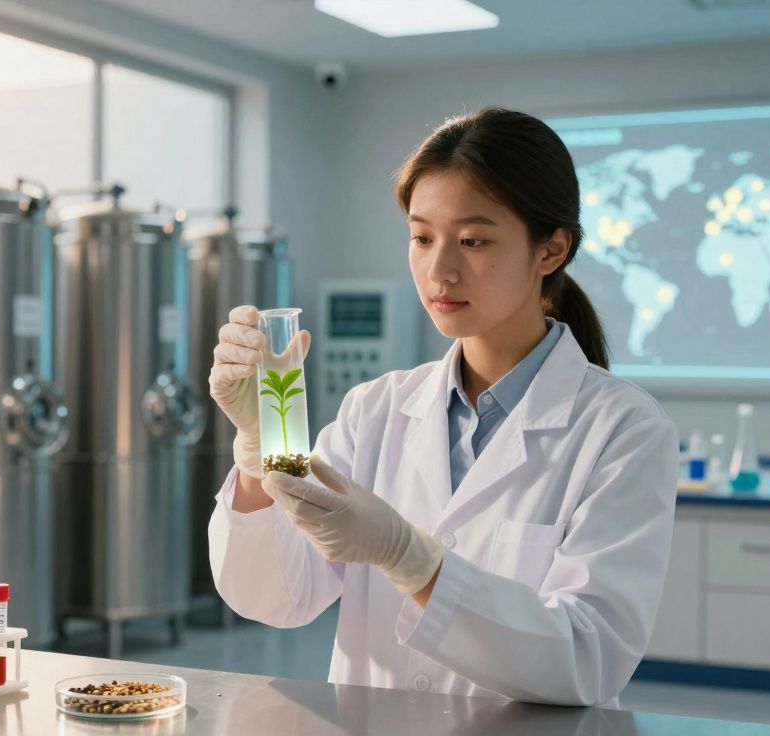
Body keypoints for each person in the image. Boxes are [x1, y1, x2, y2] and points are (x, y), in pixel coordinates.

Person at [206, 107, 678, 707]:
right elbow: (276, 597)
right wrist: (260, 447)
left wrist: (412, 559)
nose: (440, 270)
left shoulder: (622, 430)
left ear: (551, 250)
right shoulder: (373, 409)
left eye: (474, 240)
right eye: (423, 237)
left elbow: (587, 659)